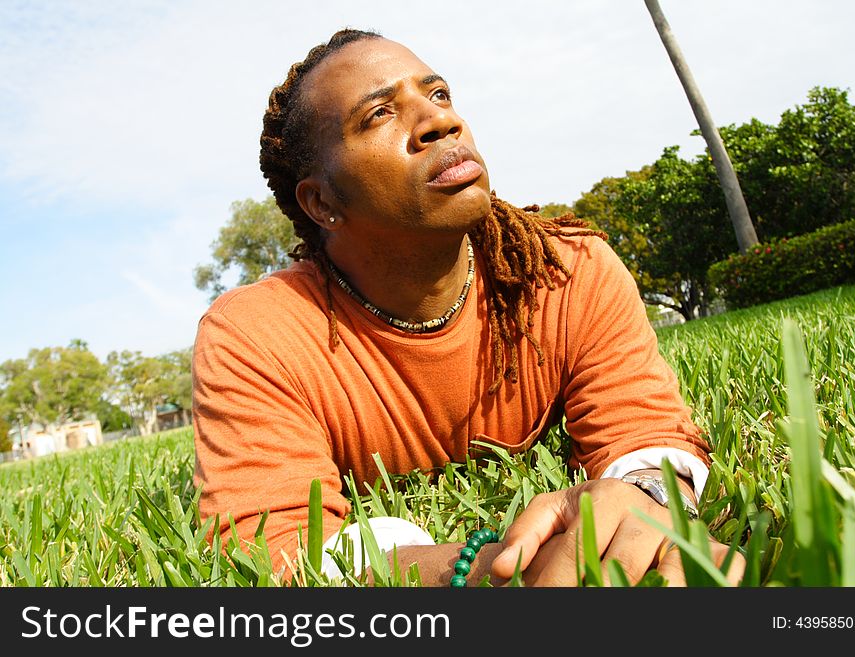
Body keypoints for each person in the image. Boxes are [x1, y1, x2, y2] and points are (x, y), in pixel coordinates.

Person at [192, 28, 744, 587]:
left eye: (438, 95)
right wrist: (506, 570)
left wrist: (644, 504)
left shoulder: (568, 269)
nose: (442, 123)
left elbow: (641, 431)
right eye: (380, 114)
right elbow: (273, 548)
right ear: (322, 202)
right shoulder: (257, 335)